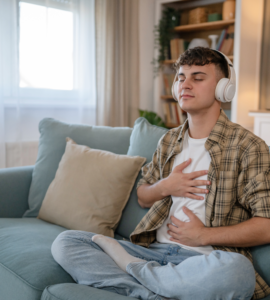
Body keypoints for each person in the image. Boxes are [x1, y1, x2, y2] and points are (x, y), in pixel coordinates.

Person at [51, 47, 270, 300]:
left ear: (224, 88)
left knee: (237, 272)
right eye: (181, 77)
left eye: (198, 78)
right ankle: (153, 289)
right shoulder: (168, 140)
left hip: (205, 260)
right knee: (67, 242)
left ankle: (134, 273)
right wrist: (167, 186)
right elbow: (143, 197)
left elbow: (266, 225)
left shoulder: (249, 146)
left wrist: (203, 235)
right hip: (152, 251)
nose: (185, 84)